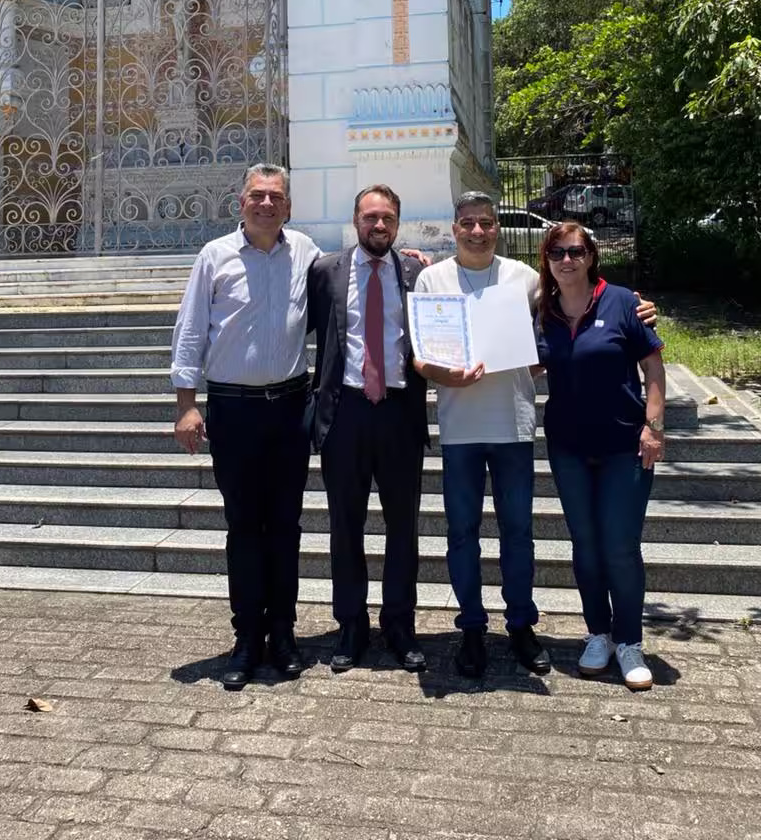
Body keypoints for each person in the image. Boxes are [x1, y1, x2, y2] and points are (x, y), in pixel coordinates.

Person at [171, 164, 318, 691]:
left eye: (276, 197)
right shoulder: (214, 256)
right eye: (257, 195)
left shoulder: (306, 253)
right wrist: (187, 404)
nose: (266, 204)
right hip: (233, 410)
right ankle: (247, 637)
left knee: (285, 525)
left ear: (288, 206)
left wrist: (406, 262)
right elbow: (191, 330)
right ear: (241, 202)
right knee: (244, 526)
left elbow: (346, 286)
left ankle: (284, 634)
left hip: (290, 409)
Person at [411, 191, 550, 679]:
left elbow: (556, 328)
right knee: (462, 534)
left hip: (512, 422)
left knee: (518, 533)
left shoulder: (525, 278)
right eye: (468, 223)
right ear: (454, 229)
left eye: (486, 223)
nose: (477, 231)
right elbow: (420, 356)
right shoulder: (432, 279)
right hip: (460, 428)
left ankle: (521, 625)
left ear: (497, 227)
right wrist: (442, 374)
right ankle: (471, 627)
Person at [535, 222, 665, 692]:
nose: (566, 260)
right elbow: (526, 361)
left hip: (622, 445)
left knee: (620, 546)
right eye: (556, 253)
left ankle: (629, 641)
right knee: (585, 545)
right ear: (547, 261)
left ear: (590, 256)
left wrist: (654, 427)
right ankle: (598, 634)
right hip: (568, 447)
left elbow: (653, 368)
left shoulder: (624, 302)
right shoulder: (543, 312)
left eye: (575, 251)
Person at [307, 185, 429, 674]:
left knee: (403, 527)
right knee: (345, 526)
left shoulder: (417, 274)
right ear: (355, 220)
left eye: (388, 218)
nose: (379, 226)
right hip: (346, 413)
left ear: (398, 223)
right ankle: (351, 625)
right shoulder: (325, 272)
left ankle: (399, 623)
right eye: (370, 217)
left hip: (400, 413)